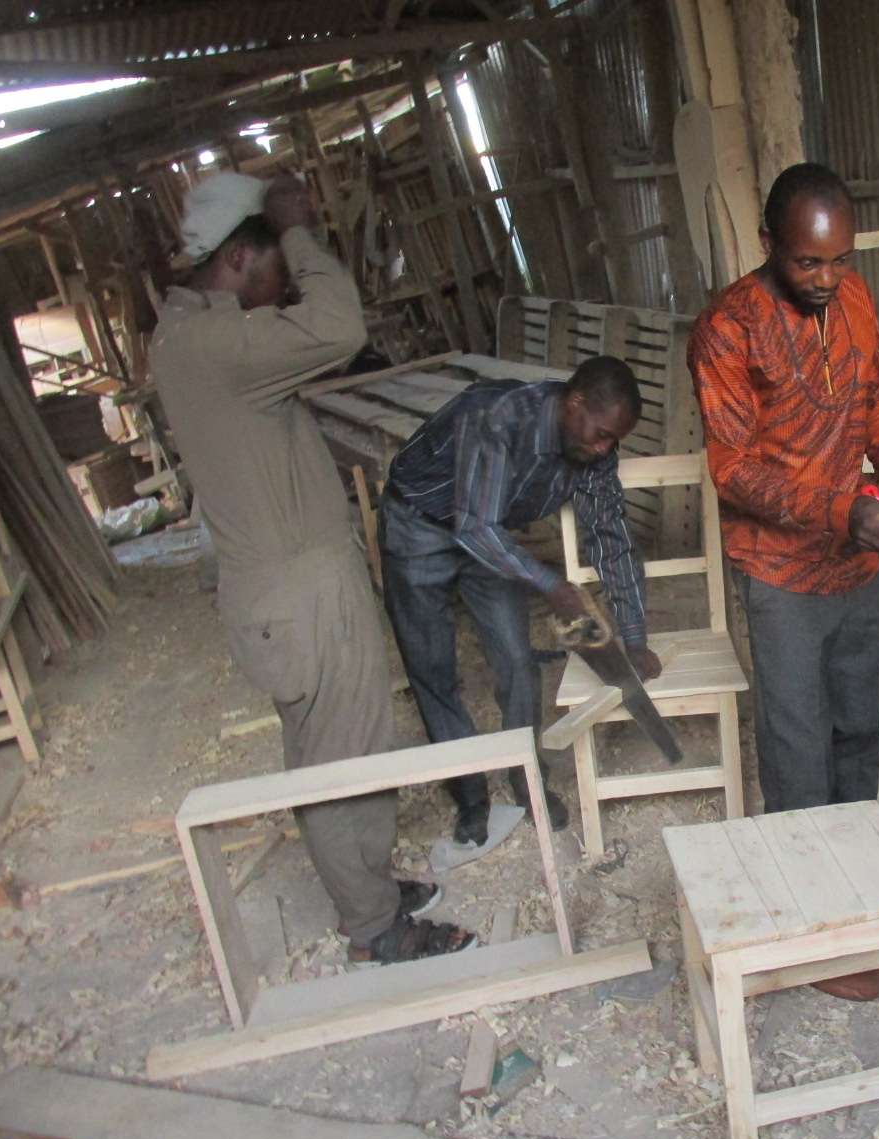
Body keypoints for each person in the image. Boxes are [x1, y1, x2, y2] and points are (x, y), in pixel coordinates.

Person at [150, 171, 474, 966]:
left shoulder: (189, 334)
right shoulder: (215, 343)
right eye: (273, 266)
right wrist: (299, 228)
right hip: (299, 590)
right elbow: (338, 326)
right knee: (341, 756)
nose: (282, 284)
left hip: (285, 586)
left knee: (334, 749)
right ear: (238, 255)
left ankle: (365, 891)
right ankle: (375, 932)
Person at [688, 162, 879, 1002]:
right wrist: (835, 508)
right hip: (779, 570)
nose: (825, 279)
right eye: (807, 262)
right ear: (769, 244)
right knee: (796, 748)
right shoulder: (727, 328)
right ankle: (809, 935)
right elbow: (734, 470)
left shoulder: (851, 301)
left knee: (860, 732)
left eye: (839, 260)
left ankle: (854, 898)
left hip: (858, 558)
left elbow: (878, 396)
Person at [379, 358, 663, 847]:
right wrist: (550, 584)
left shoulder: (596, 452)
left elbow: (610, 540)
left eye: (614, 440)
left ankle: (525, 777)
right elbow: (472, 524)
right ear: (573, 403)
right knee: (433, 668)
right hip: (419, 523)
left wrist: (633, 638)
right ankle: (470, 796)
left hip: (492, 531)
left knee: (515, 658)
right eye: (600, 434)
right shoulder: (499, 417)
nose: (604, 448)